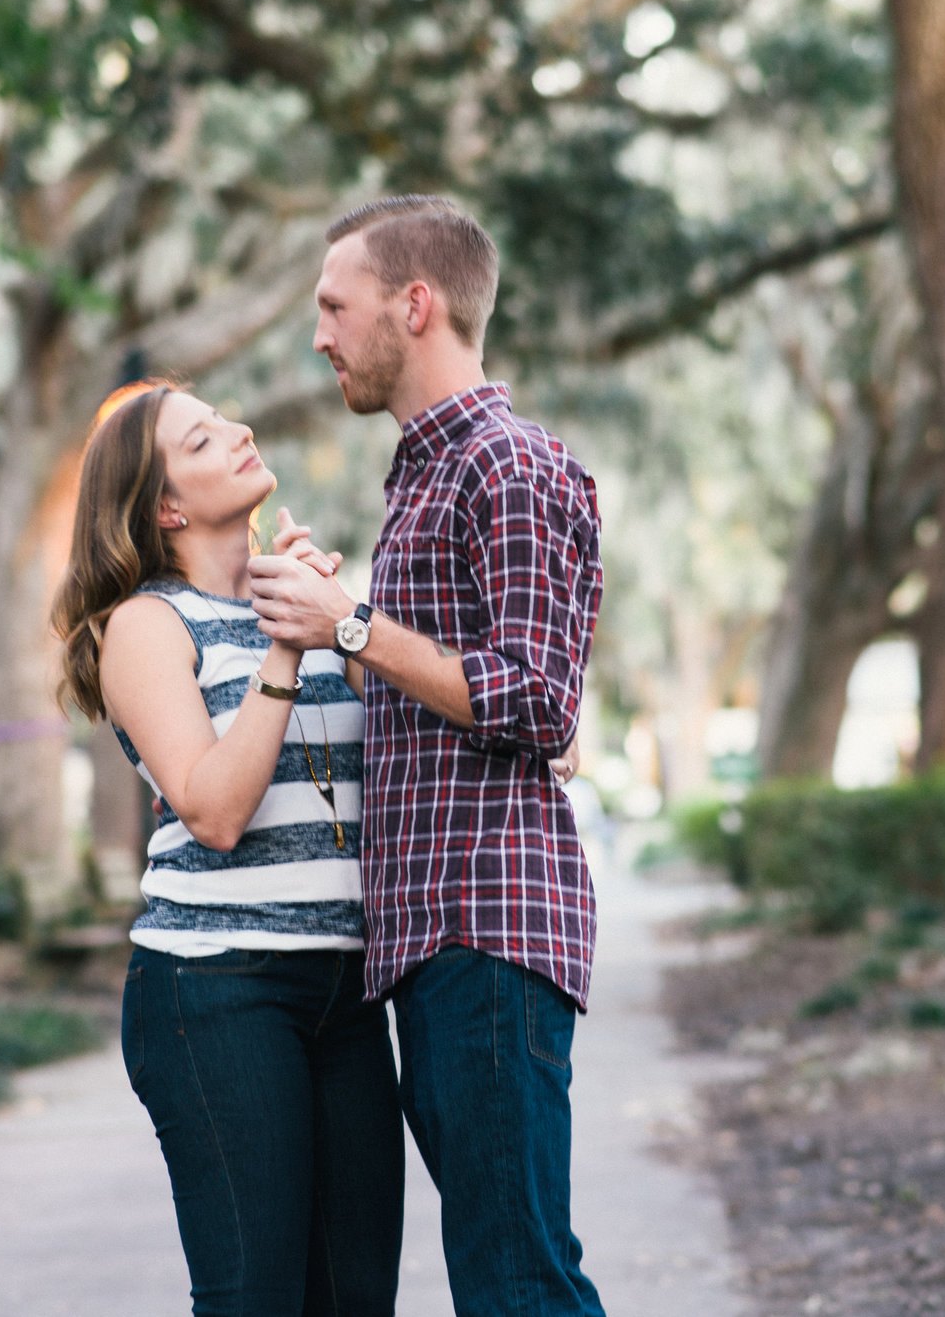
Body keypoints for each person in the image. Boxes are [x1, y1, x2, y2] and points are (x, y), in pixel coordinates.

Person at [249, 196, 606, 1317]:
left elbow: (540, 702)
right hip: (433, 937)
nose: (320, 335)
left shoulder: (508, 465)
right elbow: (425, 696)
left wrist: (349, 624)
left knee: (516, 1280)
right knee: (504, 1273)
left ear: (416, 304)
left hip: (484, 927)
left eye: (334, 306)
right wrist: (333, 622)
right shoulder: (423, 476)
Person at [53, 381, 402, 1317]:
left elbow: (403, 749)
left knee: (358, 1297)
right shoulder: (145, 626)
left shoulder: (310, 602)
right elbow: (213, 810)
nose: (240, 431)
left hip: (345, 987)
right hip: (216, 989)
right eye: (203, 438)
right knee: (254, 1296)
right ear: (166, 505)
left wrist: (336, 625)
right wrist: (285, 653)